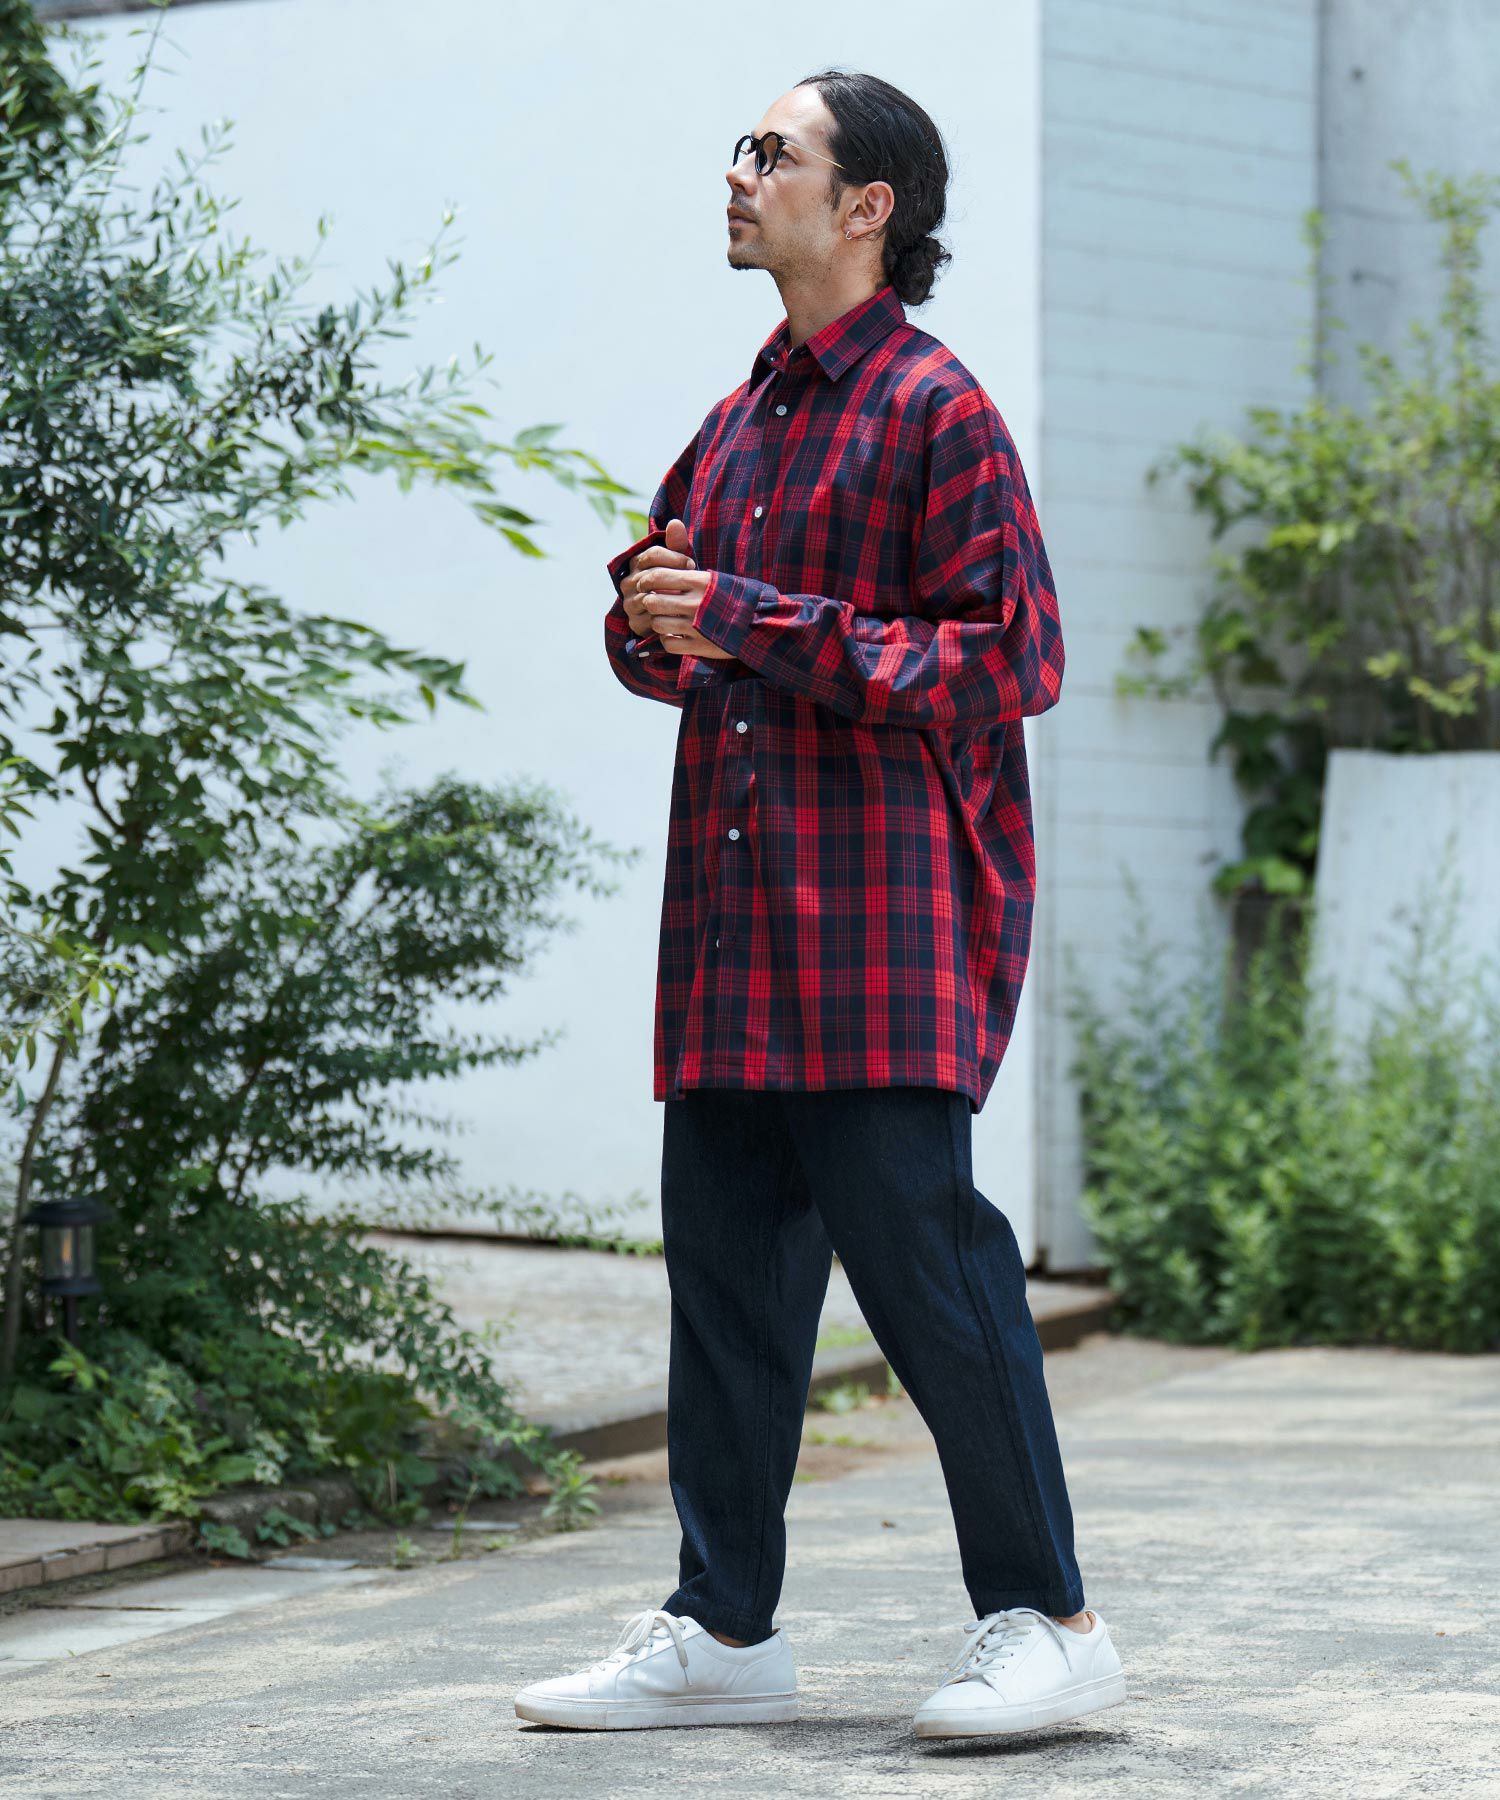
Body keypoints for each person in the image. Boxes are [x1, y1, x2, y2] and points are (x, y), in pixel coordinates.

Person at [514, 67, 1125, 1740]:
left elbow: (1011, 659)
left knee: (932, 1278)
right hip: (732, 934)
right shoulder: (741, 422)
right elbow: (676, 633)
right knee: (725, 1291)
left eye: (773, 154)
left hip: (882, 934)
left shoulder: (937, 408)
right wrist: (655, 616)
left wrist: (751, 620)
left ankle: (1050, 1621)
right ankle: (724, 1630)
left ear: (869, 206)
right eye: (744, 150)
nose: (740, 174)